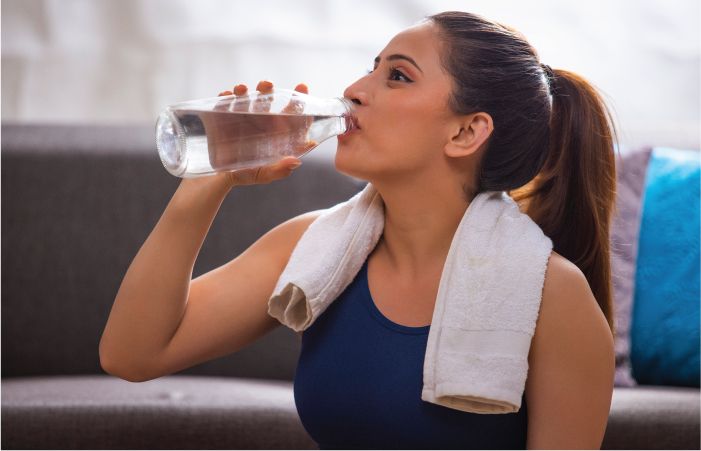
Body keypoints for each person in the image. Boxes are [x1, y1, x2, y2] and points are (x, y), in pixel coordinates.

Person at [100, 10, 616, 449]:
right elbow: (133, 354)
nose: (353, 91)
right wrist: (210, 178)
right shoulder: (314, 249)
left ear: (465, 132)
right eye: (372, 69)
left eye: (398, 76)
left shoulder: (552, 295)